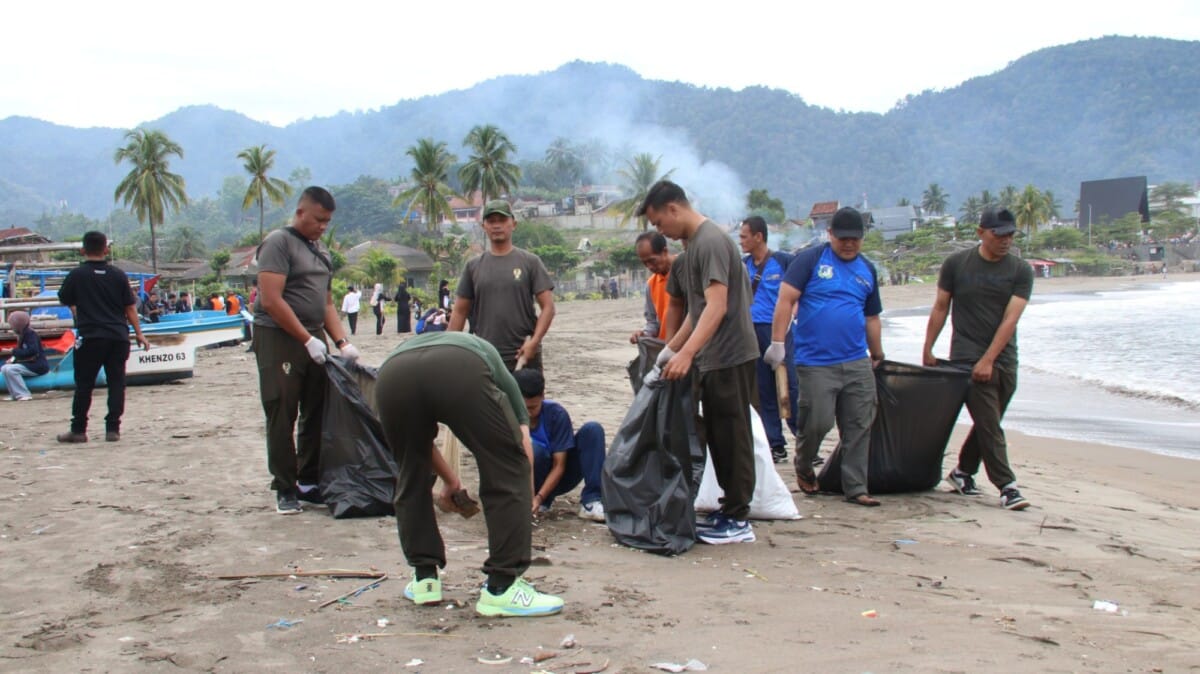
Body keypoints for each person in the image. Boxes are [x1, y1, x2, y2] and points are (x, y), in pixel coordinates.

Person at [375, 331, 564, 617]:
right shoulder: (503, 376)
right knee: (506, 464)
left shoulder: (425, 346)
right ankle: (503, 587)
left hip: (392, 373)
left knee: (410, 470)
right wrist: (524, 504)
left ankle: (424, 579)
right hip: (461, 369)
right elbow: (520, 451)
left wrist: (451, 481)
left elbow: (421, 447)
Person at [638, 180, 758, 544]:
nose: (662, 232)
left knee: (732, 436)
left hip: (731, 355)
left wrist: (687, 353)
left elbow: (718, 307)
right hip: (711, 356)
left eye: (660, 223)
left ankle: (739, 518)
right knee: (718, 435)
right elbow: (696, 310)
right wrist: (669, 350)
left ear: (674, 209)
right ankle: (728, 508)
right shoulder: (692, 251)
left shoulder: (710, 242)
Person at [766, 207, 885, 506]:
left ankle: (856, 487)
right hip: (815, 362)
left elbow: (872, 317)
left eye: (855, 239)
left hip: (856, 359)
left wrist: (878, 352)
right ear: (830, 234)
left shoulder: (866, 270)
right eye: (843, 238)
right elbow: (785, 300)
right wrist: (777, 343)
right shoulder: (810, 260)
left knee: (859, 425)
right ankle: (804, 463)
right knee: (817, 422)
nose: (849, 244)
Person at [253, 187, 359, 514]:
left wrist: (342, 342)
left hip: (314, 336)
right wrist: (304, 339)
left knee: (317, 409)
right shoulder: (278, 243)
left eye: (327, 222)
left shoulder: (321, 252)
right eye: (318, 220)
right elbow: (271, 300)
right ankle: (284, 486)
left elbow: (325, 302)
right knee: (282, 409)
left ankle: (308, 480)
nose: (322, 227)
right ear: (300, 212)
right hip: (279, 336)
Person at [923, 207, 1033, 511]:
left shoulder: (1020, 270)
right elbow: (941, 307)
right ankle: (1007, 486)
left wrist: (990, 359)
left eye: (1010, 234)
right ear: (981, 233)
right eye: (999, 234)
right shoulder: (957, 265)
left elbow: (1011, 319)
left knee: (989, 422)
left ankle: (962, 472)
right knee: (989, 424)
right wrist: (928, 348)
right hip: (966, 358)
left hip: (1004, 359)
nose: (1005, 240)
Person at [56, 231, 150, 443]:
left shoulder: (77, 275)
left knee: (84, 384)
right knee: (117, 382)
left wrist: (79, 310)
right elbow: (130, 308)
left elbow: (65, 299)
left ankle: (79, 430)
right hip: (118, 336)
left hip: (91, 336)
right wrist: (139, 334)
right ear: (106, 249)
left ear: (83, 250)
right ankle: (112, 429)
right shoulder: (118, 275)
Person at [449, 200, 555, 372]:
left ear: (513, 224)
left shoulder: (530, 262)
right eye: (491, 221)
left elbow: (548, 307)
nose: (497, 225)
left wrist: (534, 343)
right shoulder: (473, 267)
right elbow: (460, 311)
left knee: (527, 399)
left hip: (523, 354)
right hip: (485, 357)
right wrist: (449, 349)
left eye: (502, 220)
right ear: (483, 225)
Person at [739, 216, 798, 463]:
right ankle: (776, 444)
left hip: (780, 332)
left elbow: (798, 294)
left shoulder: (784, 261)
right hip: (752, 332)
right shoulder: (742, 265)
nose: (741, 241)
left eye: (744, 236)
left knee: (791, 386)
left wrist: (791, 320)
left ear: (758, 237)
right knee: (763, 391)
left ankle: (803, 439)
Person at [512, 368, 606, 521]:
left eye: (533, 408)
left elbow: (559, 465)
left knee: (593, 430)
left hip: (556, 478)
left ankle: (592, 501)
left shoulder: (556, 415)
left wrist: (540, 497)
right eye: (523, 408)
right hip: (522, 479)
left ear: (542, 396)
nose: (528, 414)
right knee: (534, 450)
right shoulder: (505, 416)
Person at [629, 232, 676, 344]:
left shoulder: (687, 270)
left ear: (664, 252)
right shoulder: (651, 284)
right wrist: (644, 333)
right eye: (645, 263)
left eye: (652, 260)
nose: (649, 267)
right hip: (666, 347)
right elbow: (652, 322)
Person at [2, 311, 48, 401]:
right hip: (29, 364)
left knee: (11, 369)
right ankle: (14, 395)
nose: (11, 327)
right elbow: (22, 351)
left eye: (12, 324)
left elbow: (32, 351)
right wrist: (13, 359)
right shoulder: (22, 334)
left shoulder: (30, 334)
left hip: (37, 365)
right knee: (5, 368)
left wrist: (13, 351)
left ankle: (23, 394)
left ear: (17, 324)